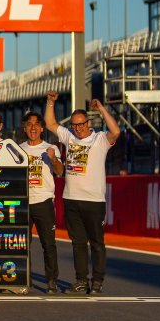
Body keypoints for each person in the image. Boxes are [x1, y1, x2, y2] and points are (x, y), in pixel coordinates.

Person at [45, 92, 121, 295]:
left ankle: (97, 281)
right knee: (78, 243)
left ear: (88, 123)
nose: (77, 128)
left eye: (81, 124)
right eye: (74, 125)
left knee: (96, 243)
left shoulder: (99, 139)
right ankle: (81, 281)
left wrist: (102, 108)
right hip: (71, 199)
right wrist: (50, 102)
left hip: (94, 201)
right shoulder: (69, 137)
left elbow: (115, 131)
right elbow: (50, 123)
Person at [20, 111, 63, 294]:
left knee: (48, 244)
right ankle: (24, 280)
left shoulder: (50, 148)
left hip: (44, 201)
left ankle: (52, 281)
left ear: (42, 128)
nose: (33, 128)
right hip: (23, 202)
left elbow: (60, 171)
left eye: (36, 124)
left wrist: (53, 158)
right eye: (29, 125)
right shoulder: (17, 149)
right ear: (24, 128)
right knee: (22, 245)